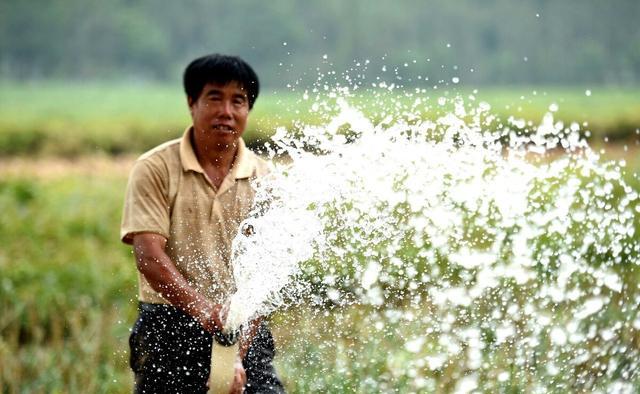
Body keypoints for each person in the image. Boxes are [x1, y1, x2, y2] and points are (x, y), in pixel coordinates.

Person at [120, 54, 284, 393]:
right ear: (192, 103)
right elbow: (149, 257)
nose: (227, 111)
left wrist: (233, 352)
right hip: (169, 325)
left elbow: (264, 273)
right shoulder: (155, 168)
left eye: (238, 100)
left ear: (248, 110)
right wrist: (206, 312)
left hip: (242, 324)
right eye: (214, 98)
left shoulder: (265, 178)